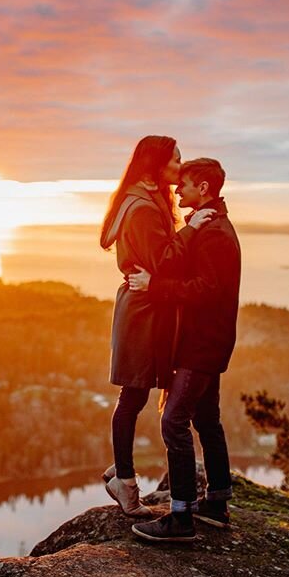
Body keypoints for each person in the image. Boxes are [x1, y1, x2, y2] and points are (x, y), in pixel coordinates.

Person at [127, 157, 241, 542]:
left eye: (186, 184)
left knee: (173, 421)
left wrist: (153, 287)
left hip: (201, 345)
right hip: (211, 341)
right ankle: (217, 502)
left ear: (204, 189)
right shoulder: (213, 225)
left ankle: (181, 519)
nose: (178, 189)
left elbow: (207, 290)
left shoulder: (213, 233)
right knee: (207, 419)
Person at [100, 137, 214, 517]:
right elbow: (165, 261)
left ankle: (123, 471)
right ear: (156, 164)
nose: (181, 167)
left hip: (149, 309)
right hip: (142, 313)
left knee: (134, 396)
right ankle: (126, 481)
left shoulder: (148, 200)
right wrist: (194, 227)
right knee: (133, 396)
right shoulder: (144, 208)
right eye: (175, 160)